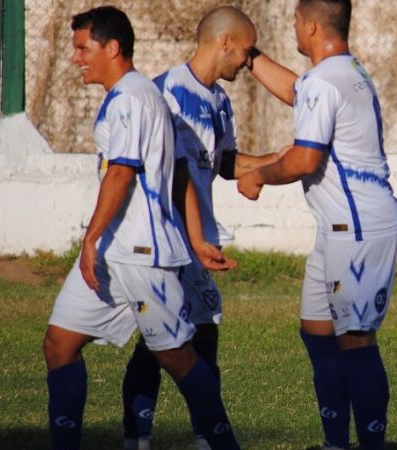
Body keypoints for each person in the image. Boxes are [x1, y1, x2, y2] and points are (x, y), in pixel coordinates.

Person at [42, 6, 241, 450]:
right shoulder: (137, 94)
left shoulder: (133, 97)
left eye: (83, 48)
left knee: (177, 357)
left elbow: (121, 173)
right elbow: (180, 174)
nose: (76, 58)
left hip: (141, 254)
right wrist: (196, 239)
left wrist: (90, 238)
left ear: (112, 48)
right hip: (114, 252)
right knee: (58, 344)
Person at [237, 1, 397, 448]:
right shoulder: (342, 72)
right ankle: (335, 442)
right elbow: (298, 91)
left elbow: (305, 159)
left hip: (359, 227)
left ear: (311, 25)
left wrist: (258, 176)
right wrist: (251, 57)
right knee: (317, 331)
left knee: (356, 340)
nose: (292, 26)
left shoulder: (325, 81)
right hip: (338, 228)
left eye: (294, 20)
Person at [119, 6, 280, 450]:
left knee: (181, 335)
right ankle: (167, 437)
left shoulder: (219, 101)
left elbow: (223, 163)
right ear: (225, 42)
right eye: (246, 52)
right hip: (167, 237)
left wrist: (275, 161)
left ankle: (187, 437)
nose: (248, 62)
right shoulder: (166, 92)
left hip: (197, 241)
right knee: (171, 339)